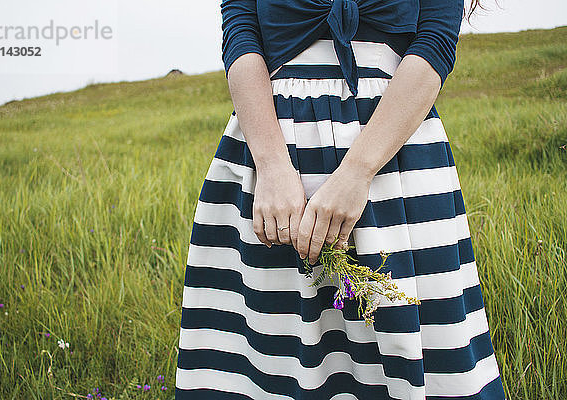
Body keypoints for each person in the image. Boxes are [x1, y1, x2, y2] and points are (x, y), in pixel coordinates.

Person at [175, 0, 507, 398]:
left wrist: (357, 173)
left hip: (394, 160)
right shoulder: (270, 167)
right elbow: (241, 28)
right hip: (271, 164)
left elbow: (435, 42)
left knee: (410, 343)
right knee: (269, 352)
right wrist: (271, 165)